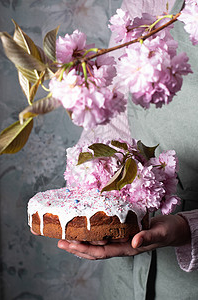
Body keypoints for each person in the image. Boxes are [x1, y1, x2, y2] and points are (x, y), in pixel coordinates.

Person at [57, 0, 198, 299]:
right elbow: (113, 119)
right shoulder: (147, 4)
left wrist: (187, 228)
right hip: (124, 277)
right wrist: (98, 195)